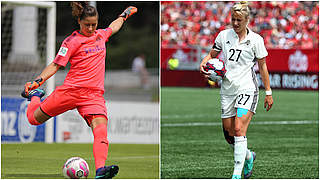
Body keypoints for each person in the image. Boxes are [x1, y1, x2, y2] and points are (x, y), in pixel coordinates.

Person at [21, 2, 137, 179]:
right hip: (71, 92)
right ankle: (35, 97)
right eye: (87, 24)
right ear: (79, 22)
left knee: (100, 129)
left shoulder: (101, 35)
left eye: (94, 24)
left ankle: (100, 170)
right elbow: (55, 65)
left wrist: (124, 15)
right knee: (33, 120)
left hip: (94, 96)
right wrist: (38, 82)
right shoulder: (71, 41)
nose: (91, 28)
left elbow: (113, 26)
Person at [200, 2, 273, 179]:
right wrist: (204, 63)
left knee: (239, 129)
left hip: (247, 88)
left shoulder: (256, 40)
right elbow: (212, 55)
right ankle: (249, 156)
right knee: (229, 134)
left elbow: (262, 67)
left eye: (239, 20)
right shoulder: (223, 36)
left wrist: (268, 92)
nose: (235, 23)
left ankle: (236, 175)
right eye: (233, 19)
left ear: (247, 20)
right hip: (227, 89)